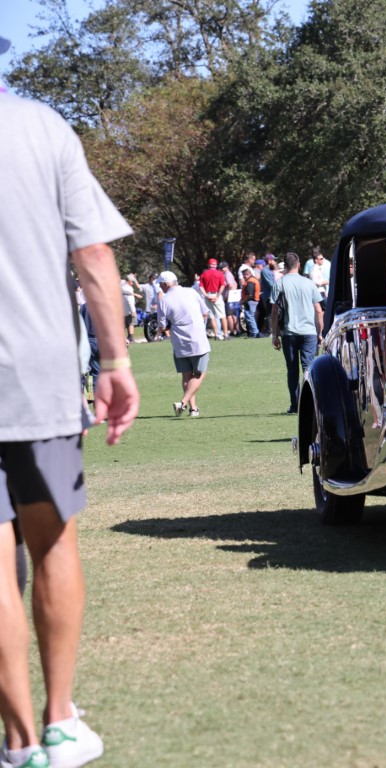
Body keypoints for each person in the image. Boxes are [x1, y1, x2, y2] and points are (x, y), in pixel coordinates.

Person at [0, 74, 139, 768]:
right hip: (37, 376)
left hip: (35, 380)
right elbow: (92, 255)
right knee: (53, 544)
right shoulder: (42, 127)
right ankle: (59, 722)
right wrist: (115, 358)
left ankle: (19, 739)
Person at [270, 252, 325, 415]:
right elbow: (319, 311)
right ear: (299, 264)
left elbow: (274, 311)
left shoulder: (279, 284)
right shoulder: (309, 284)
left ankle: (295, 405)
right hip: (309, 332)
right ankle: (312, 403)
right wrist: (320, 332)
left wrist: (274, 334)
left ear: (285, 266)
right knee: (309, 368)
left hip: (289, 333)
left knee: (292, 370)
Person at [156, 271, 211, 417]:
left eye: (161, 284)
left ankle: (193, 409)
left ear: (166, 284)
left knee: (187, 376)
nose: (161, 287)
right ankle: (184, 403)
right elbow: (205, 312)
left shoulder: (164, 300)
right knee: (199, 374)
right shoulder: (192, 292)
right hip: (198, 339)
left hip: (179, 341)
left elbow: (162, 326)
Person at [198, 258, 227, 341]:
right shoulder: (220, 274)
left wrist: (206, 295)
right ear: (216, 265)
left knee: (212, 316)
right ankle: (225, 334)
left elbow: (201, 286)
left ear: (208, 265)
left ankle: (217, 335)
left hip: (208, 295)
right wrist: (218, 296)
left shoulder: (204, 274)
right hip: (216, 294)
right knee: (222, 316)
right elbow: (222, 285)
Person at [242, 261, 263, 338]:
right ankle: (254, 332)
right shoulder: (252, 280)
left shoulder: (250, 281)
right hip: (253, 301)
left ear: (248, 274)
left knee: (250, 317)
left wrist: (243, 300)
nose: (243, 276)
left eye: (244, 275)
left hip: (250, 301)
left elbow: (249, 294)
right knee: (250, 317)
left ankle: (255, 333)